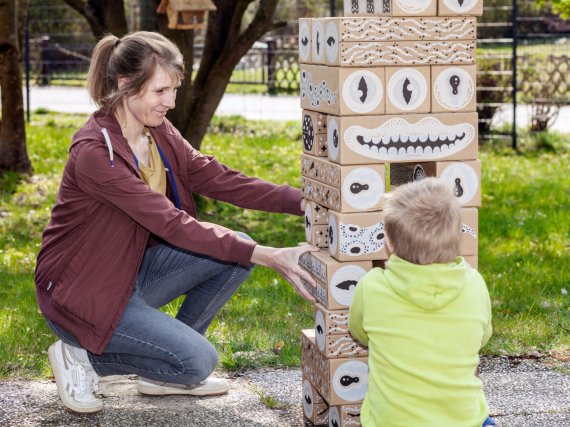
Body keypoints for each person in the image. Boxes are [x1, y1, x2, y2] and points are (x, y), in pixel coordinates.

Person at [35, 31, 317, 414]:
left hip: (129, 274)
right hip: (82, 293)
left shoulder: (158, 133)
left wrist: (306, 201)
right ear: (124, 85)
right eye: (159, 92)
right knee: (197, 362)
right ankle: (81, 357)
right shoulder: (96, 154)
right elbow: (171, 224)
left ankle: (161, 372)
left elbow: (218, 178)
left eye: (174, 90)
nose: (170, 102)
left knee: (235, 249)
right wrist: (270, 255)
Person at [348, 177, 496, 427]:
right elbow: (483, 337)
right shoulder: (475, 284)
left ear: (389, 242)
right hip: (466, 421)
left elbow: (358, 332)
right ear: (457, 239)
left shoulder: (372, 287)